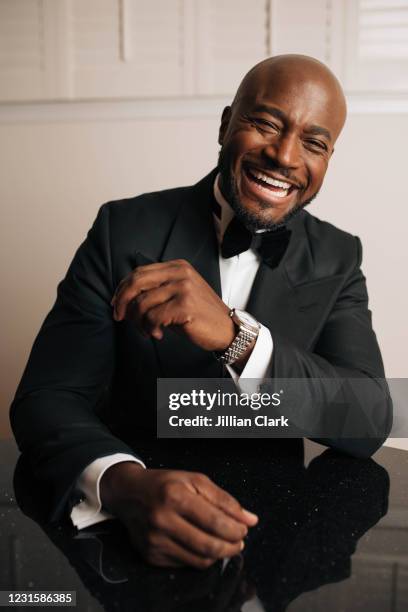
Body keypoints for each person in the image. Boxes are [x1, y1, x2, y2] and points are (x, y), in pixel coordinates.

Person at [10, 55, 392, 570]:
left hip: (271, 535)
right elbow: (46, 397)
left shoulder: (339, 256)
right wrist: (124, 484)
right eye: (266, 124)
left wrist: (240, 338)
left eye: (314, 142)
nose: (284, 155)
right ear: (225, 124)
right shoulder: (121, 229)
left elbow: (370, 416)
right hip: (127, 531)